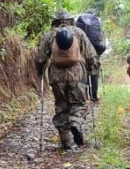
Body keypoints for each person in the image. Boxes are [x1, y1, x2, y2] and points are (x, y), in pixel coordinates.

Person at [35, 10, 98, 150]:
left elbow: (40, 58)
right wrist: (93, 69)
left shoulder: (50, 34)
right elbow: (91, 55)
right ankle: (76, 122)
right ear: (71, 20)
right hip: (77, 74)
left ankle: (66, 141)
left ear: (55, 21)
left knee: (61, 106)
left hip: (56, 76)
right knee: (79, 104)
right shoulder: (79, 33)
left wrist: (40, 72)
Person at [76, 9, 108, 102]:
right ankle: (94, 96)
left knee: (85, 74)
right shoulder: (96, 23)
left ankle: (86, 96)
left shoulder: (79, 22)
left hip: (82, 53)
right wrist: (99, 53)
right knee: (94, 74)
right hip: (95, 53)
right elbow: (101, 40)